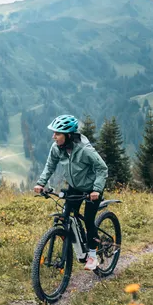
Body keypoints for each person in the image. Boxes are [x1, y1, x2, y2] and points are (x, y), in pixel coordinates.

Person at [34, 114, 108, 271]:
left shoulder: (84, 150)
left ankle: (93, 255)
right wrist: (41, 183)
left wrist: (96, 189)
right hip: (74, 187)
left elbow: (102, 168)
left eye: (57, 134)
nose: (54, 137)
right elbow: (50, 166)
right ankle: (76, 249)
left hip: (91, 189)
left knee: (88, 219)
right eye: (54, 133)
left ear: (68, 135)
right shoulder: (56, 148)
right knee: (65, 215)